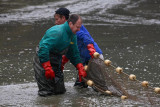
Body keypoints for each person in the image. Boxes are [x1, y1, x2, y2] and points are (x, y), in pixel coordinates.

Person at [33, 14, 87, 97]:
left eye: (80, 27)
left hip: (57, 57)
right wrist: (47, 67)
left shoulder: (72, 35)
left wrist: (79, 67)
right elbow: (43, 48)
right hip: (43, 58)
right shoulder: (57, 32)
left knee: (60, 91)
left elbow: (73, 52)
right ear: (70, 24)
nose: (79, 30)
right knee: (46, 92)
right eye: (77, 27)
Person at [54, 8, 103, 88]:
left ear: (63, 18)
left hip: (93, 58)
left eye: (57, 19)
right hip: (84, 61)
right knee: (79, 86)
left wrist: (91, 50)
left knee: (98, 86)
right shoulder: (65, 30)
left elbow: (85, 37)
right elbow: (70, 49)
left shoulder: (75, 27)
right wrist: (63, 61)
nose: (55, 22)